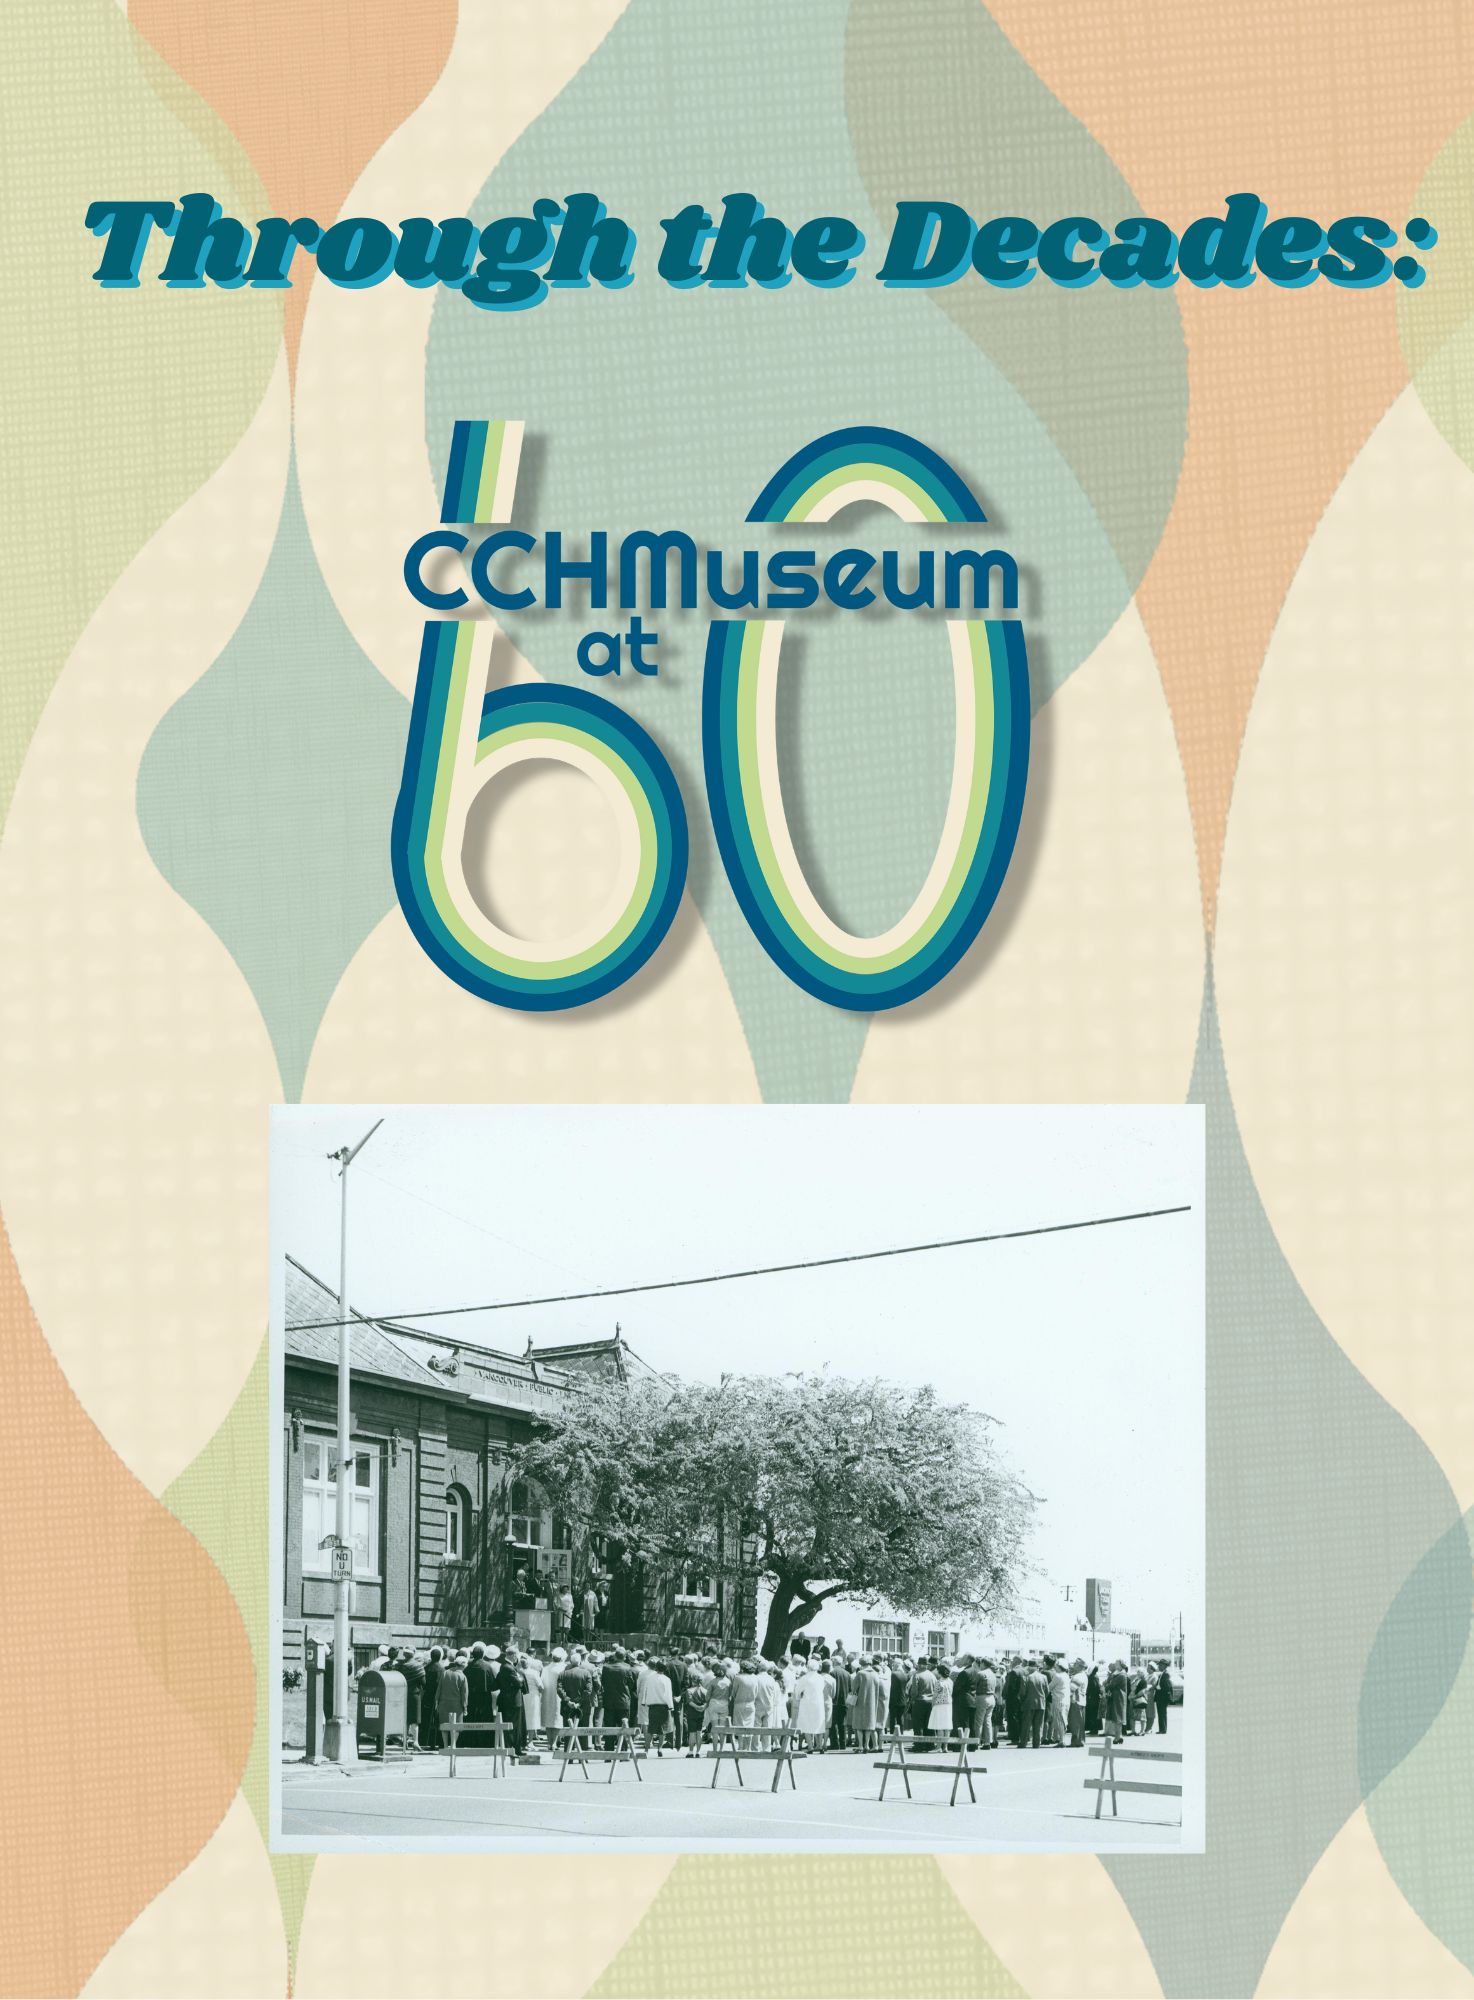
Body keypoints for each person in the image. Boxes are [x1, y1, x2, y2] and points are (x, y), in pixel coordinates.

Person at [496, 1646, 529, 1755]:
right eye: (517, 1656)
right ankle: (513, 1748)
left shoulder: (506, 1666)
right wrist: (520, 1677)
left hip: (510, 1700)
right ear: (513, 1655)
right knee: (514, 1726)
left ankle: (515, 1747)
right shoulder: (508, 1667)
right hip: (512, 1701)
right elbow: (519, 1683)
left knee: (514, 1725)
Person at [791, 1656, 828, 1751]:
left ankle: (810, 1746)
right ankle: (819, 1745)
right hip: (818, 1703)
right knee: (819, 1723)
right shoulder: (821, 1678)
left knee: (806, 1724)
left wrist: (799, 1697)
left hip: (807, 1703)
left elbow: (797, 1691)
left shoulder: (804, 1678)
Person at [437, 1651, 469, 1756]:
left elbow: (439, 1689)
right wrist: (465, 1708)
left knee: (444, 1725)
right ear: (463, 1665)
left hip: (443, 1703)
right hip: (457, 1705)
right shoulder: (462, 1676)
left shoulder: (445, 1672)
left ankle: (446, 1746)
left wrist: (437, 1701)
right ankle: (453, 1745)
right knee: (457, 1726)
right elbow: (464, 1695)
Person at [639, 1656, 674, 1754]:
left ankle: (646, 1749)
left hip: (652, 1706)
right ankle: (660, 1748)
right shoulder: (667, 1679)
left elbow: (646, 1691)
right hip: (663, 1706)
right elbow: (668, 1694)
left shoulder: (650, 1679)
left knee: (651, 1728)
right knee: (662, 1729)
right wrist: (671, 1706)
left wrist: (644, 1702)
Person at [398, 1645, 426, 1752]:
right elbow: (424, 1683)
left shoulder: (400, 1666)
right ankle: (415, 1742)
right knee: (415, 1721)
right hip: (414, 1695)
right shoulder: (418, 1666)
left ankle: (404, 1742)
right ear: (413, 1653)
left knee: (405, 1720)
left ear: (404, 1654)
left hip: (403, 1695)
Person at [465, 1642, 496, 1735]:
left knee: (471, 1717)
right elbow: (493, 1683)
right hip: (484, 1697)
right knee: (484, 1718)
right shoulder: (487, 1666)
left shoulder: (468, 1666)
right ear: (483, 1655)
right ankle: (484, 1739)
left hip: (471, 1696)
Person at [421, 1646, 444, 1752]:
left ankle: (424, 1741)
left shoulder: (426, 1667)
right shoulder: (441, 1668)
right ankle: (435, 1742)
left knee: (426, 1719)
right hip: (438, 1697)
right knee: (436, 1720)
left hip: (427, 1696)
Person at [828, 1650, 851, 1751]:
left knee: (833, 1723)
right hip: (844, 1701)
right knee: (842, 1724)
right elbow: (850, 1688)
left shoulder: (832, 1673)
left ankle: (835, 1743)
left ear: (834, 1662)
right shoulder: (847, 1673)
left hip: (834, 1701)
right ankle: (843, 1743)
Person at [1019, 1660, 1045, 1748]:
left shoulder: (1026, 1677)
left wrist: (1023, 1701)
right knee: (1038, 1725)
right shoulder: (1043, 1677)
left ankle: (1023, 1743)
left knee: (1026, 1724)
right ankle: (1036, 1744)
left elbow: (1022, 1693)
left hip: (1028, 1703)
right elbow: (1047, 1691)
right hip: (1041, 1703)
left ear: (1029, 1667)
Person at [542, 1647, 566, 1740]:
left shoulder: (546, 1668)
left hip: (547, 1695)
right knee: (557, 1718)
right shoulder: (563, 1668)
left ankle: (549, 1742)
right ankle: (555, 1741)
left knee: (549, 1718)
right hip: (559, 1695)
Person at [930, 1661, 955, 1747]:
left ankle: (939, 1746)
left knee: (940, 1726)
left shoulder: (939, 1682)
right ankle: (946, 1746)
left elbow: (935, 1696)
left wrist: (932, 1704)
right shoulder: (950, 1682)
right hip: (948, 1705)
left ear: (940, 1672)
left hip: (939, 1705)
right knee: (947, 1726)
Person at [1045, 1659, 1069, 1746]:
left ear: (1059, 1667)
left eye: (1056, 1666)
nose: (1055, 1667)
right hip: (1065, 1701)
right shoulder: (1066, 1675)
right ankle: (1061, 1739)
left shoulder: (1058, 1676)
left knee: (1059, 1721)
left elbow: (1049, 1687)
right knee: (1063, 1720)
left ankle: (1062, 1741)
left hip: (1058, 1701)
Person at [1104, 1660, 1129, 1743]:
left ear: (1121, 1665)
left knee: (1117, 1717)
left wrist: (1106, 1685)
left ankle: (1118, 1737)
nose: (1115, 1664)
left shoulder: (1121, 1675)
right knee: (1117, 1717)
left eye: (1117, 1663)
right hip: (1117, 1697)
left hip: (1118, 1698)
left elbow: (1111, 1684)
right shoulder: (1119, 1674)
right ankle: (1118, 1736)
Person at [1003, 1658, 1024, 1745]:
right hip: (1022, 1698)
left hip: (1013, 1698)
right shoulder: (1025, 1671)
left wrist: (1005, 1696)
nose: (1011, 1663)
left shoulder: (1013, 1672)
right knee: (1021, 1718)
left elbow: (1009, 1687)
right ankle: (1021, 1737)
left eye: (1012, 1661)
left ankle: (1015, 1738)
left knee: (1012, 1718)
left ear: (1016, 1662)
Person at [1068, 1658, 1088, 1748]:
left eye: (1075, 1664)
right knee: (1080, 1722)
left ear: (1080, 1666)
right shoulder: (1084, 1675)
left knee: (1075, 1722)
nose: (1074, 1666)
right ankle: (1080, 1740)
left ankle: (1076, 1741)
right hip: (1082, 1701)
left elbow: (1071, 1689)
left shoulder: (1078, 1676)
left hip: (1076, 1701)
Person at [1155, 1660, 1174, 1733]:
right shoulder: (1162, 1674)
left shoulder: (1166, 1674)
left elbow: (1167, 1686)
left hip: (1163, 1697)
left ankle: (1163, 1730)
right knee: (1161, 1714)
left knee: (1162, 1714)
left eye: (1160, 1665)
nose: (1159, 1666)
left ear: (1164, 1666)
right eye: (1159, 1665)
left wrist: (1159, 1688)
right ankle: (1162, 1729)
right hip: (1160, 1697)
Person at [1085, 1662, 1103, 1735]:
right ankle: (1093, 1729)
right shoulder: (1094, 1676)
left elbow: (1094, 1688)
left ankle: (1094, 1729)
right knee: (1093, 1714)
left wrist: (1089, 1694)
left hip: (1092, 1698)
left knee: (1093, 1714)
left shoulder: (1093, 1677)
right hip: (1093, 1698)